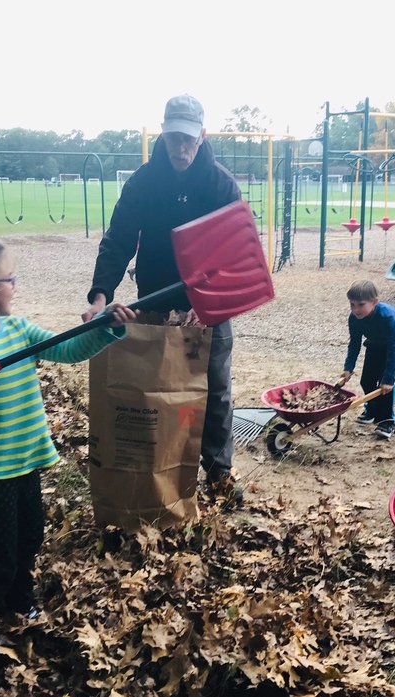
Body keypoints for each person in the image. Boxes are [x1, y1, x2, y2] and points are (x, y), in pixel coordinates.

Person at [0, 231, 135, 697]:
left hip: (24, 461)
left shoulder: (18, 332)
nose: (15, 286)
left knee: (30, 538)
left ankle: (18, 602)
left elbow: (67, 351)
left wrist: (108, 327)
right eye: (8, 278)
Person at [81, 94, 244, 507]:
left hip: (206, 305)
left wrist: (208, 303)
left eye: (188, 139)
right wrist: (101, 295)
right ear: (164, 134)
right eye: (173, 137)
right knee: (156, 386)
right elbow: (117, 241)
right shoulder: (143, 182)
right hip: (154, 299)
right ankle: (160, 468)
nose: (181, 147)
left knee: (215, 388)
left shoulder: (220, 184)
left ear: (202, 135)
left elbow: (234, 253)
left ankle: (219, 472)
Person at [335, 280, 395, 439]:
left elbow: (393, 346)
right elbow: (354, 343)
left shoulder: (386, 316)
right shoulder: (354, 318)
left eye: (361, 304)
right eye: (352, 304)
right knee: (366, 381)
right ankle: (372, 410)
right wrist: (348, 368)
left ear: (374, 302)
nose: (356, 309)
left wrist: (389, 378)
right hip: (375, 343)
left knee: (384, 386)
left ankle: (387, 420)